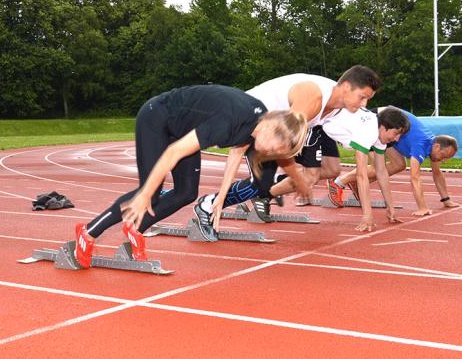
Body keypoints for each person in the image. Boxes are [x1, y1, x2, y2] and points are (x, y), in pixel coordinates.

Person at [69, 84, 308, 268]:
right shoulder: (227, 121)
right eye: (276, 148)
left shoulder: (260, 119)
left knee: (186, 192)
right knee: (148, 193)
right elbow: (174, 152)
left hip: (182, 130)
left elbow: (237, 151)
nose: (272, 153)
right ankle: (88, 232)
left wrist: (220, 200)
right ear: (270, 127)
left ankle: (136, 228)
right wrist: (146, 194)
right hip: (157, 118)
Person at [191, 65, 382, 238]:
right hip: (244, 118)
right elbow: (281, 144)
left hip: (266, 129)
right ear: (347, 87)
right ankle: (207, 204)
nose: (364, 105)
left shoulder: (336, 110)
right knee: (261, 182)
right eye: (362, 97)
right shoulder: (314, 98)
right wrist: (298, 180)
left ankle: (209, 202)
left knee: (263, 182)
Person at [332, 107, 459, 216]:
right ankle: (339, 182)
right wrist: (422, 207)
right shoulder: (421, 144)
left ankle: (352, 182)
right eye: (444, 156)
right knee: (379, 167)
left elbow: (437, 173)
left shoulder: (434, 147)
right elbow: (415, 177)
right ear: (437, 147)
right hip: (382, 123)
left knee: (399, 165)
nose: (443, 160)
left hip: (394, 132)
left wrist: (446, 199)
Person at [323, 106, 410, 232]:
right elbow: (361, 175)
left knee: (324, 172)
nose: (396, 139)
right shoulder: (368, 132)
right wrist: (367, 215)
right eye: (396, 133)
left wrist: (390, 207)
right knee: (313, 174)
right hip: (316, 122)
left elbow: (381, 172)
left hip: (326, 124)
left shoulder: (379, 135)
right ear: (384, 127)